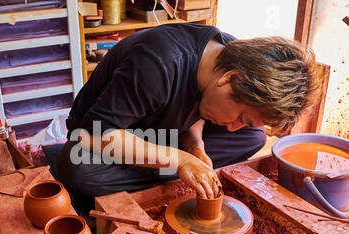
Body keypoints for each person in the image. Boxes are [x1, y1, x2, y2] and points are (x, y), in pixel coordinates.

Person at [53, 23, 321, 204]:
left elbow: (192, 106)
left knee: (252, 138)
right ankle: (164, 171)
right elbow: (92, 136)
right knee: (79, 169)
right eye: (241, 117)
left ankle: (157, 168)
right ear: (230, 79)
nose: (233, 127)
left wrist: (195, 146)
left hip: (160, 128)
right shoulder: (158, 64)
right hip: (103, 131)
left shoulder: (230, 56)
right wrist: (178, 161)